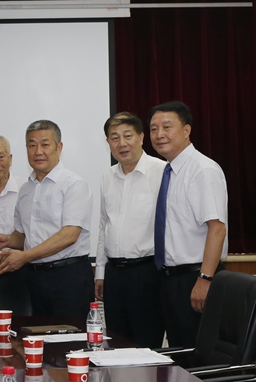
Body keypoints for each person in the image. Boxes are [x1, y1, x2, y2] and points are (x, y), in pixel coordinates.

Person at [0, 120, 94, 318]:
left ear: (59, 147)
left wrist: (25, 256)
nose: (38, 151)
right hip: (34, 279)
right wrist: (8, 240)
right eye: (32, 145)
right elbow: (24, 235)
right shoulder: (25, 189)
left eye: (45, 144)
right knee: (37, 335)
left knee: (71, 336)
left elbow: (69, 235)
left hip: (68, 277)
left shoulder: (74, 184)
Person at [148, 101, 227, 348]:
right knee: (179, 354)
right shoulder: (169, 171)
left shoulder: (202, 169)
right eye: (153, 129)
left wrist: (205, 278)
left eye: (167, 127)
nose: (159, 134)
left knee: (199, 354)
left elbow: (217, 228)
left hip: (196, 277)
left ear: (186, 130)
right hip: (170, 280)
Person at [95, 112, 165, 348]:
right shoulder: (107, 176)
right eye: (114, 138)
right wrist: (100, 272)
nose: (121, 143)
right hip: (114, 275)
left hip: (147, 273)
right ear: (108, 142)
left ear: (141, 137)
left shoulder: (161, 171)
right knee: (117, 343)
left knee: (147, 344)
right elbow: (104, 225)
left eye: (127, 136)